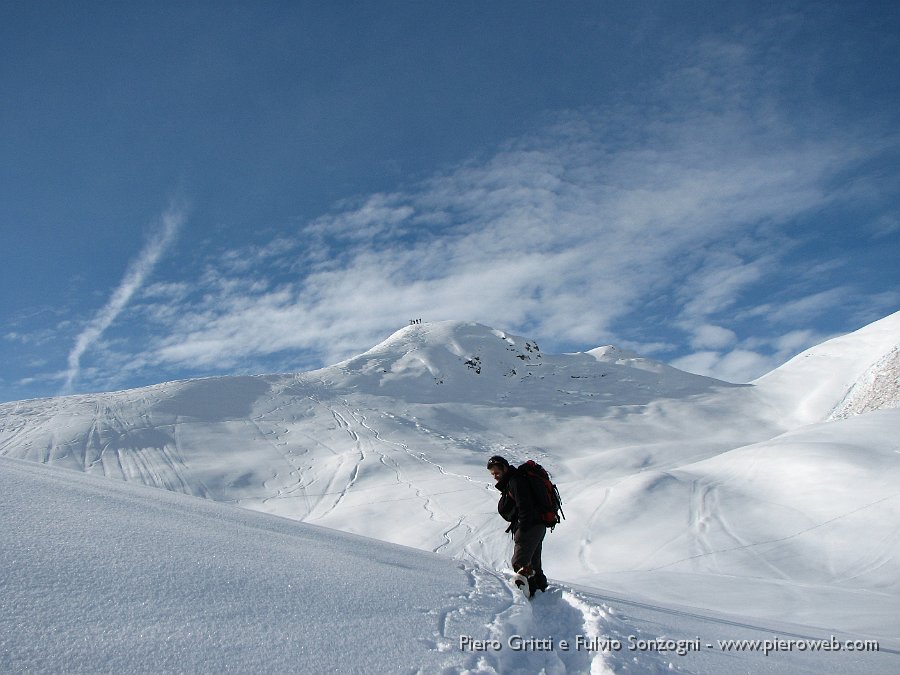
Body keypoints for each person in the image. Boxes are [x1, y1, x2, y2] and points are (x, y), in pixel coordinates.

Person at [487, 455, 549, 596]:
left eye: (497, 472)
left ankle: (523, 595)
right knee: (533, 561)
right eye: (493, 474)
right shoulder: (514, 480)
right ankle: (539, 589)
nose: (495, 476)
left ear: (505, 468)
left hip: (530, 526)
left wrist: (523, 528)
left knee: (520, 562)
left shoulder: (515, 481)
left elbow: (524, 506)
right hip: (537, 525)